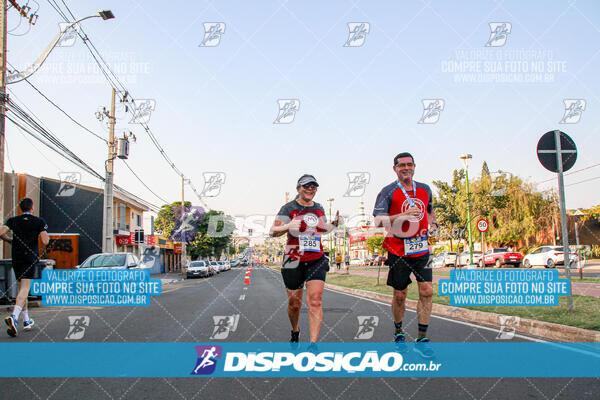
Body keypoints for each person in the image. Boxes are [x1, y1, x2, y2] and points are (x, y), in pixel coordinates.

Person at [373, 153, 438, 358]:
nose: (406, 168)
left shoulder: (425, 189)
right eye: (402, 165)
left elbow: (429, 211)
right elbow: (378, 221)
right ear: (395, 169)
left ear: (415, 166)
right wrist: (402, 215)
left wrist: (434, 224)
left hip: (421, 248)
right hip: (398, 248)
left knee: (427, 290)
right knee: (400, 294)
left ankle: (422, 339)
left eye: (409, 164)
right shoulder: (387, 191)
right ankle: (399, 332)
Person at [270, 174, 341, 344]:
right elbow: (272, 231)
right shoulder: (288, 208)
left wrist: (334, 224)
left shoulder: (319, 208)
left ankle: (313, 344)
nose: (310, 189)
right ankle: (295, 330)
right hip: (293, 259)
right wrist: (288, 226)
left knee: (315, 301)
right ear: (298, 189)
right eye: (306, 186)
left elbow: (322, 229)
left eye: (313, 186)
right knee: (295, 303)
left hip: (316, 258)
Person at [0, 198, 49, 337]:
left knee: (22, 288)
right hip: (30, 257)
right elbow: (45, 241)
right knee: (25, 288)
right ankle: (14, 318)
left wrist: (9, 240)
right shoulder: (39, 221)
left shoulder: (13, 220)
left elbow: (1, 232)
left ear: (21, 208)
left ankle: (26, 320)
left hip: (17, 257)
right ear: (32, 208)